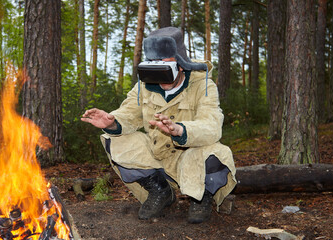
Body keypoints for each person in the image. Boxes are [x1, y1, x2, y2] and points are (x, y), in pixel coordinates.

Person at [81, 27, 236, 224]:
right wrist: (112, 122)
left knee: (215, 153)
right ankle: (160, 191)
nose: (160, 77)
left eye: (165, 67)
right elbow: (128, 113)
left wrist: (180, 130)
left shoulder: (203, 85)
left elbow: (212, 125)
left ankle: (201, 196)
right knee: (116, 140)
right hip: (157, 158)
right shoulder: (144, 86)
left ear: (180, 64)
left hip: (189, 159)